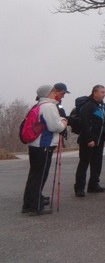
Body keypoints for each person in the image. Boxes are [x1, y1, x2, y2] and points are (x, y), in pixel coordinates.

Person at [22, 85, 68, 215]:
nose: (56, 93)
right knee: (39, 176)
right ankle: (36, 207)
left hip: (36, 145)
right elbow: (55, 127)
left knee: (34, 175)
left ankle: (28, 204)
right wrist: (64, 122)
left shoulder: (39, 106)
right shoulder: (49, 106)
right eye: (53, 91)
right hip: (43, 145)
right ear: (49, 93)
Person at [74, 84, 105, 197]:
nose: (104, 94)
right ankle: (79, 188)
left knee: (97, 163)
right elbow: (84, 123)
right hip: (88, 140)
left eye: (104, 92)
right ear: (95, 93)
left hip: (100, 139)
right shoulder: (89, 105)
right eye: (102, 92)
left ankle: (93, 185)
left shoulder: (104, 106)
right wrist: (89, 139)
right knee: (84, 163)